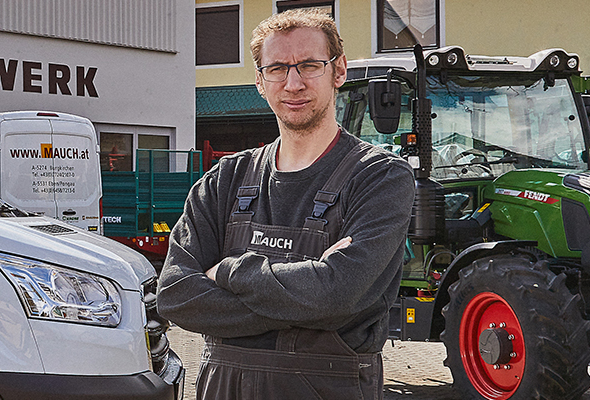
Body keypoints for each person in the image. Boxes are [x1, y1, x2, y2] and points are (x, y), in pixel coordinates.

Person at [156, 8, 413, 400]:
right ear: (260, 81)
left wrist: (227, 272)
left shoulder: (380, 178)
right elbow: (175, 295)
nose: (293, 83)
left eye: (309, 65)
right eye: (277, 68)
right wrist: (311, 301)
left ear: (338, 71)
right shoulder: (225, 181)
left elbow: (337, 294)